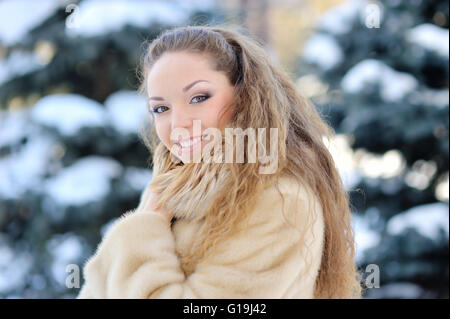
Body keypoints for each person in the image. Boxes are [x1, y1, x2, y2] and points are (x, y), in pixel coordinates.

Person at [76, 24, 363, 299]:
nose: (178, 124)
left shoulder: (280, 200)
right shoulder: (168, 192)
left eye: (199, 97)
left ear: (245, 96)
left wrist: (143, 234)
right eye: (161, 108)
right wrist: (145, 226)